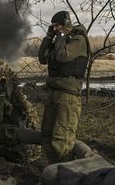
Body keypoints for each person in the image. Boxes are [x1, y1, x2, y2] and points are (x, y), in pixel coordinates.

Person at [38, 10, 89, 164]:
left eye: (58, 26)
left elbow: (62, 55)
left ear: (66, 25)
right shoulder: (59, 40)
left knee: (62, 139)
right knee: (47, 136)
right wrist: (49, 37)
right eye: (53, 27)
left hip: (68, 96)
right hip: (54, 92)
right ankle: (53, 171)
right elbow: (42, 58)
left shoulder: (78, 40)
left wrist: (60, 36)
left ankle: (65, 173)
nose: (55, 29)